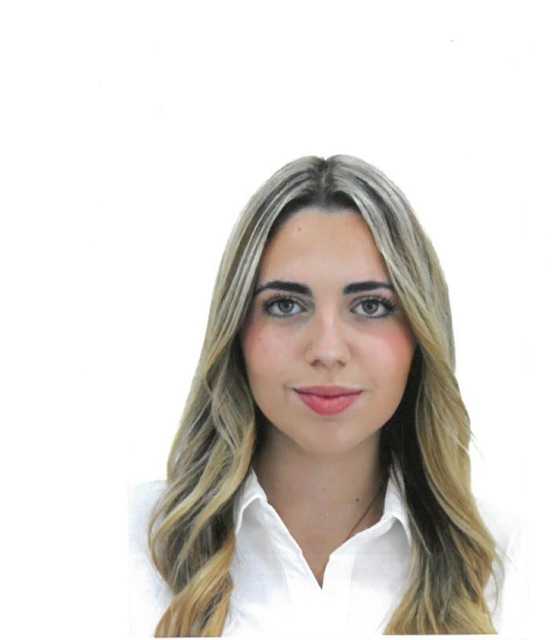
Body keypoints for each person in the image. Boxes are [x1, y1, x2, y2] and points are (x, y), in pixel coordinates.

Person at [128, 155, 527, 636]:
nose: (327, 351)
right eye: (285, 305)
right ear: (236, 332)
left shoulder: (508, 561)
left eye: (371, 305)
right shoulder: (125, 544)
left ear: (421, 335)